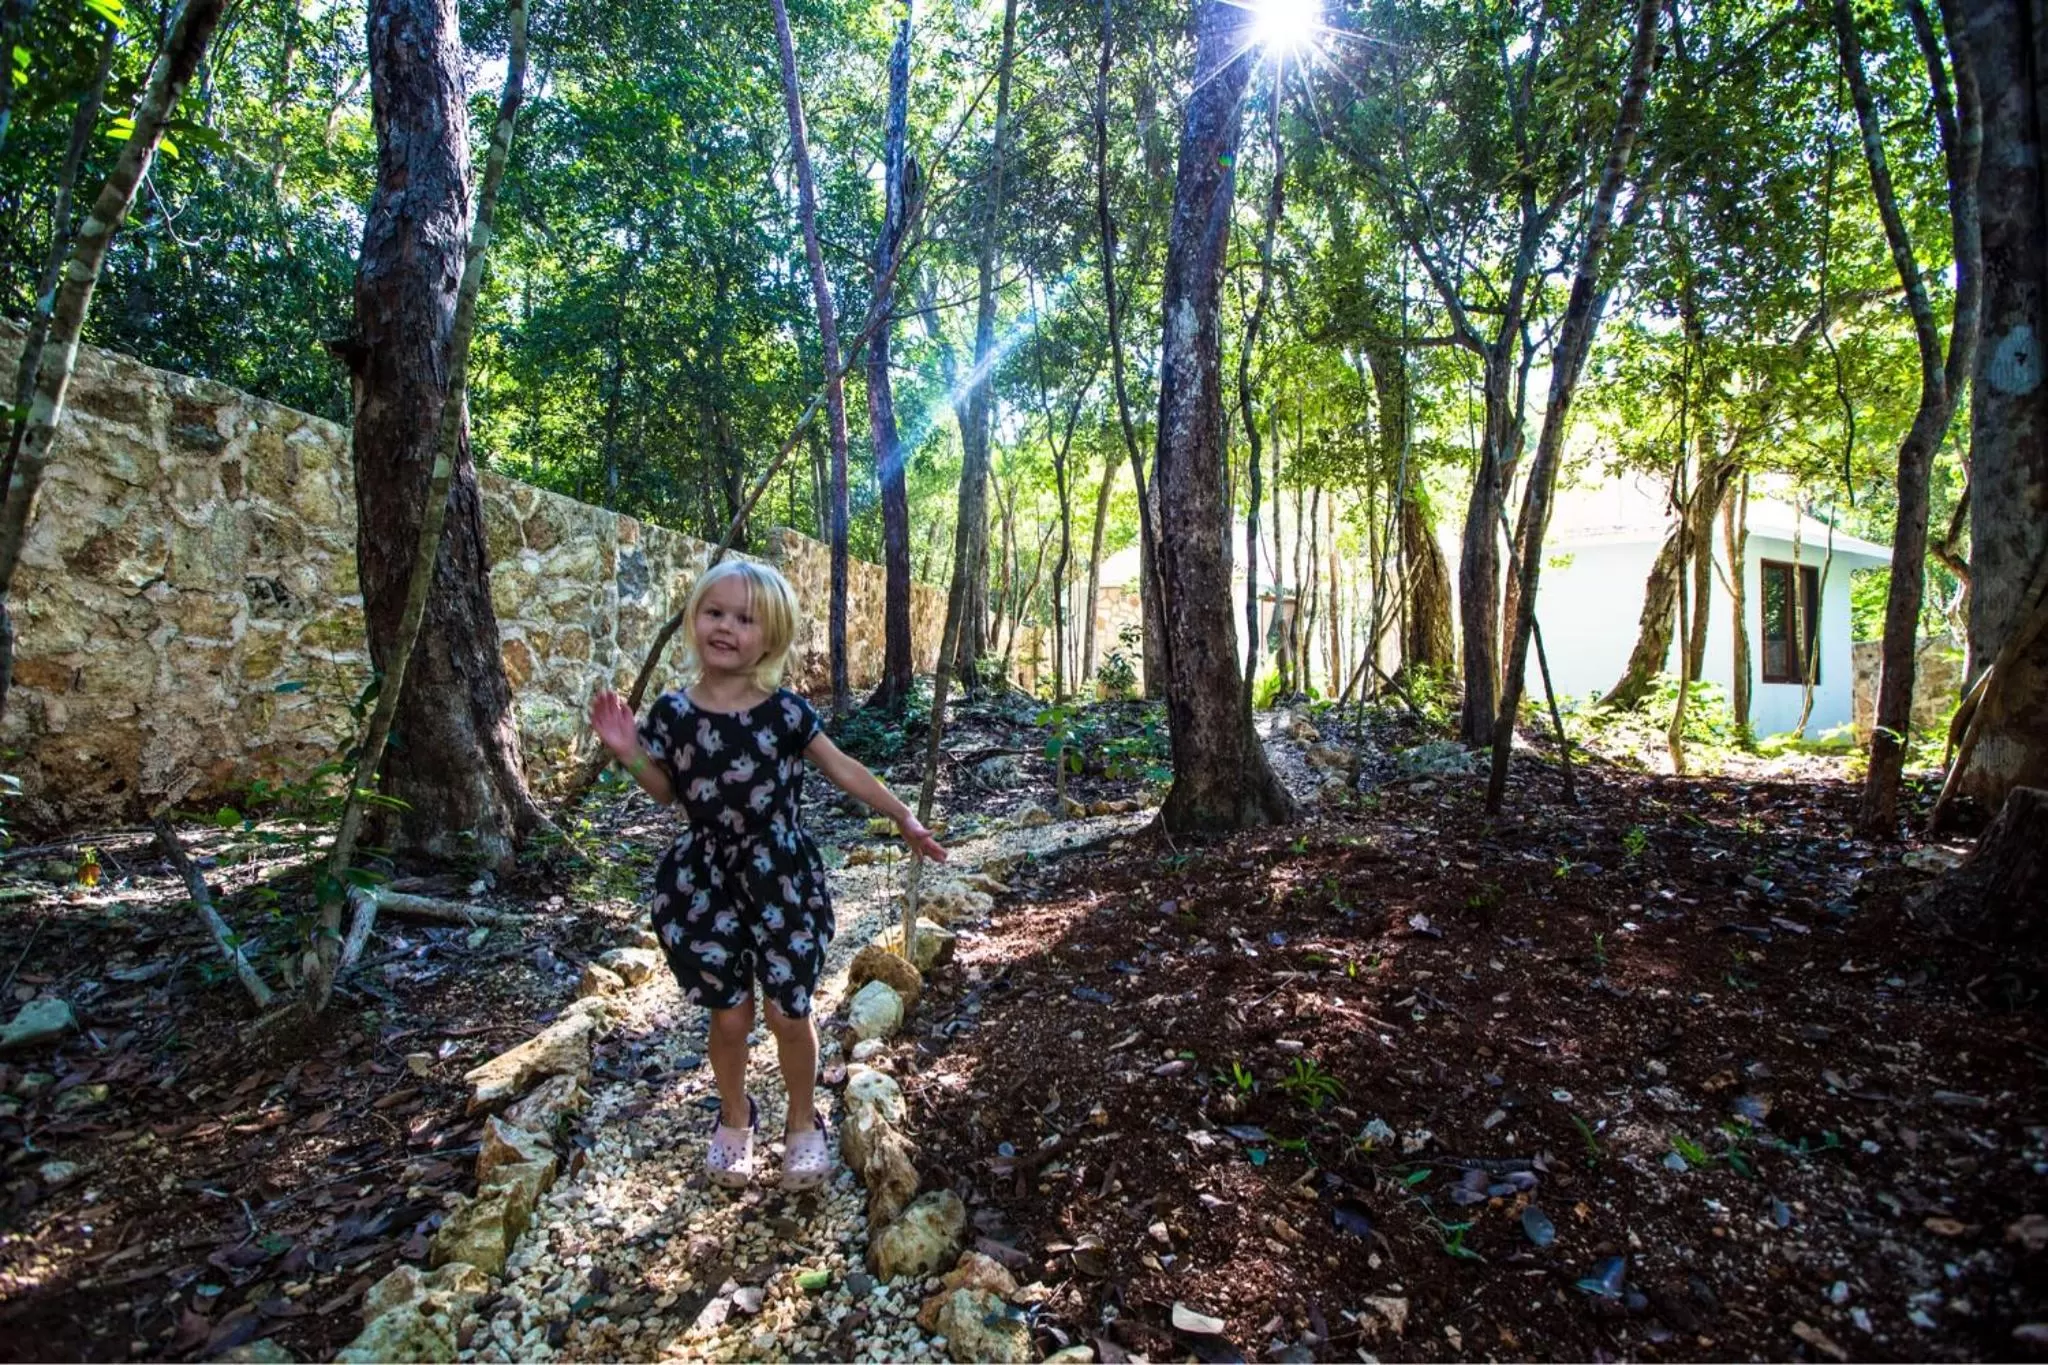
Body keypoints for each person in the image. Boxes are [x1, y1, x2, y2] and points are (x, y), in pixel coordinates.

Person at [588, 559, 946, 1190]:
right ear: (694, 620)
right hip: (703, 882)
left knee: (788, 1009)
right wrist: (628, 754)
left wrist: (904, 817)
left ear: (771, 636)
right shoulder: (673, 713)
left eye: (744, 618)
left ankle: (803, 1121)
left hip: (781, 878)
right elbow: (667, 791)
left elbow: (844, 769)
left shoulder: (785, 712)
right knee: (729, 1015)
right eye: (714, 612)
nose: (725, 627)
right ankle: (735, 1114)